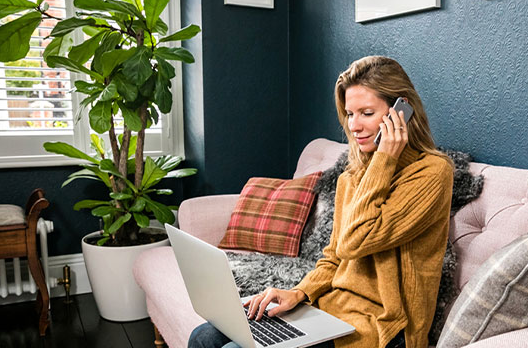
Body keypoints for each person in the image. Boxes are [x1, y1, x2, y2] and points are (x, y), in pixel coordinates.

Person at [189, 56, 453, 348]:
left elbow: (355, 240)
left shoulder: (432, 173)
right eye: (350, 114)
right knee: (203, 337)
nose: (354, 126)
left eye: (366, 113)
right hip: (332, 311)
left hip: (385, 328)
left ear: (401, 113)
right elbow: (335, 256)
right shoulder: (351, 177)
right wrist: (299, 293)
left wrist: (385, 159)